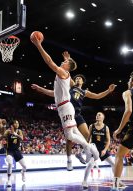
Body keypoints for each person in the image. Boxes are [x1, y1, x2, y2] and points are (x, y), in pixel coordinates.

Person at [31, 51, 116, 171]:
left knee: (86, 135)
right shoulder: (70, 85)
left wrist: (108, 91)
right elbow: (56, 90)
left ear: (83, 82)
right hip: (67, 109)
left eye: (80, 79)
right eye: (77, 78)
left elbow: (97, 96)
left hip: (76, 113)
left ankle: (83, 152)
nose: (78, 79)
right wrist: (41, 89)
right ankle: (69, 159)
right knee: (69, 139)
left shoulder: (84, 91)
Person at [30, 33, 99, 166]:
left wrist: (39, 45)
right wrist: (40, 89)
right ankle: (89, 147)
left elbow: (49, 62)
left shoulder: (63, 72)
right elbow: (53, 93)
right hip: (65, 106)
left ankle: (90, 147)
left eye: (66, 62)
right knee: (74, 132)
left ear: (67, 67)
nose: (63, 61)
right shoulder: (65, 75)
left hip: (65, 107)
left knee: (69, 136)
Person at [82, 112, 123, 188]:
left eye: (99, 115)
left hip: (102, 149)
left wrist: (105, 150)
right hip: (94, 148)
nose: (97, 116)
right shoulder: (91, 126)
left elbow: (108, 141)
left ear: (103, 118)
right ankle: (84, 182)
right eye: (96, 115)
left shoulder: (106, 127)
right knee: (90, 164)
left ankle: (117, 181)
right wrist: (86, 147)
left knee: (113, 164)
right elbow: (88, 138)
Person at [4, 120, 27, 187]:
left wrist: (15, 134)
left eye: (18, 123)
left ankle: (23, 172)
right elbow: (3, 136)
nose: (17, 124)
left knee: (25, 167)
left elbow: (22, 138)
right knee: (10, 163)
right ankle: (9, 180)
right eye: (16, 123)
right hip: (9, 150)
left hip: (17, 151)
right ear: (13, 124)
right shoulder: (8, 131)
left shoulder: (19, 131)